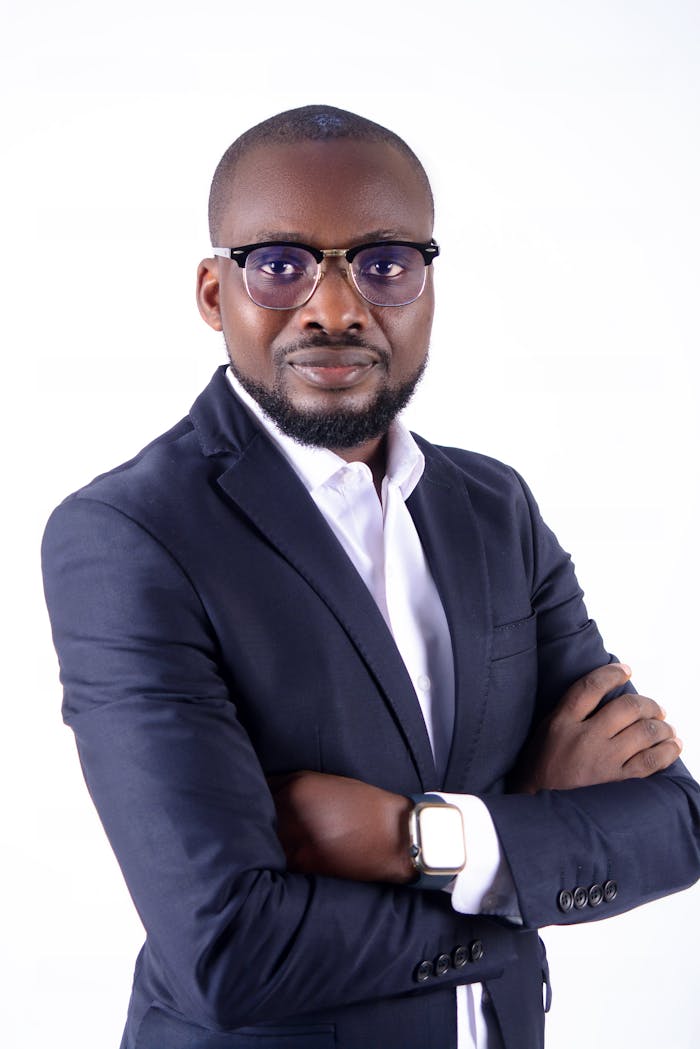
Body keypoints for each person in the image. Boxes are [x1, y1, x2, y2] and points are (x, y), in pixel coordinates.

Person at [41, 105, 700, 1049]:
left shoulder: (494, 508)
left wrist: (421, 837)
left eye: (384, 263)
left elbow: (674, 823)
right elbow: (229, 949)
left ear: (429, 284)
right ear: (212, 293)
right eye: (280, 265)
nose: (337, 308)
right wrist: (526, 853)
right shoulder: (130, 534)